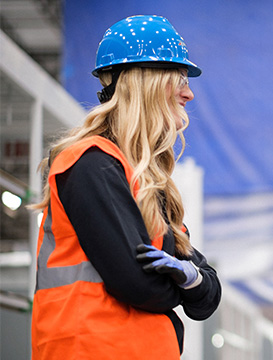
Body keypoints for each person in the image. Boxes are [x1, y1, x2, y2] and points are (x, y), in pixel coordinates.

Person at [30, 15, 221, 360]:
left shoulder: (147, 181)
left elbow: (209, 298)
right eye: (178, 78)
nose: (189, 93)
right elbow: (138, 285)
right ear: (147, 82)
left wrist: (191, 278)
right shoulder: (89, 163)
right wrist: (188, 286)